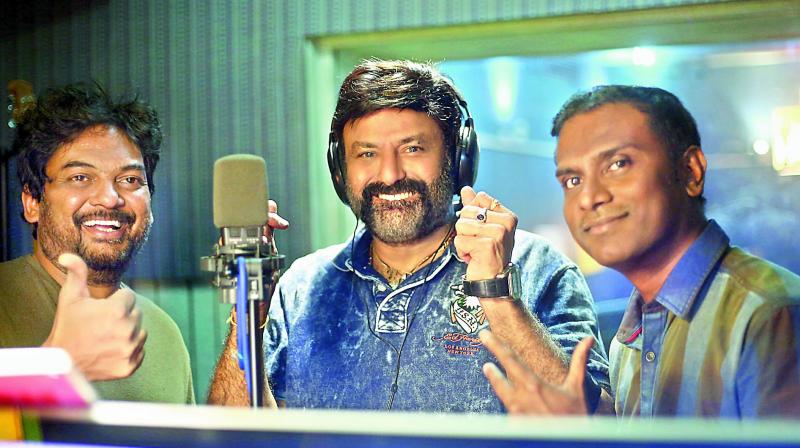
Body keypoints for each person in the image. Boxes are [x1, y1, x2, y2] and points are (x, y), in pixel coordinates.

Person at [208, 59, 610, 412]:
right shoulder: (302, 287)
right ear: (339, 170)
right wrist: (249, 309)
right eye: (366, 154)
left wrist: (496, 291)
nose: (389, 174)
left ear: (458, 158)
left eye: (413, 148)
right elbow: (229, 435)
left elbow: (600, 424)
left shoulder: (537, 267)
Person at [480, 85, 800, 418]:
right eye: (572, 180)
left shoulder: (768, 314)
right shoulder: (631, 336)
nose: (590, 197)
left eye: (618, 164)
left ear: (691, 171)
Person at [0, 82, 194, 404]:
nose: (110, 198)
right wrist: (55, 367)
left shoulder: (164, 333)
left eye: (130, 180)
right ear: (33, 202)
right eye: (80, 177)